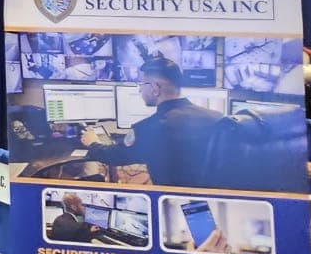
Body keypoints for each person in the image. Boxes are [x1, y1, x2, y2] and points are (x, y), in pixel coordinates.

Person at [81, 54, 227, 187]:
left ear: (155, 88)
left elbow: (115, 156)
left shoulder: (148, 129)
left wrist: (92, 143)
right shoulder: (217, 118)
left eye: (142, 85)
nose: (139, 90)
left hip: (170, 204)